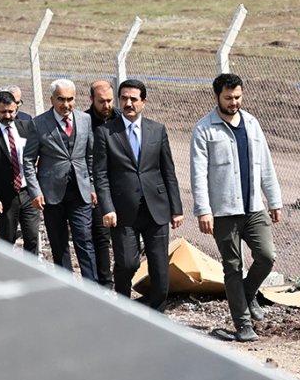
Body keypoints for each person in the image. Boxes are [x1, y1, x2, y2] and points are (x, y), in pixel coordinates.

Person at [190, 73, 283, 342]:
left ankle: (247, 292)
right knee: (232, 266)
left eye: (238, 97)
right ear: (217, 96)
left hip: (254, 208)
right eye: (229, 98)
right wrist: (203, 210)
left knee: (266, 256)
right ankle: (243, 324)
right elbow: (198, 175)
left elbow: (266, 165)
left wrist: (274, 201)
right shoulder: (204, 129)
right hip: (223, 212)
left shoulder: (252, 124)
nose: (234, 102)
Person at [94, 79, 183, 310]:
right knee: (126, 263)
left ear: (143, 102)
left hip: (156, 208)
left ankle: (157, 312)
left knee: (159, 266)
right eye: (124, 98)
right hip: (123, 211)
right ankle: (123, 306)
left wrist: (176, 209)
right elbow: (100, 174)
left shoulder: (157, 129)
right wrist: (107, 207)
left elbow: (168, 171)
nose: (128, 103)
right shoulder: (106, 132)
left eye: (134, 99)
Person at [25, 78, 97, 281]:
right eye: (61, 99)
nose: (66, 105)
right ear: (52, 100)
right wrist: (35, 191)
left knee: (84, 239)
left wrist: (91, 184)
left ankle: (93, 288)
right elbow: (29, 160)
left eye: (70, 99)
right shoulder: (39, 123)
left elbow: (90, 155)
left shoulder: (85, 120)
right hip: (51, 194)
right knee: (58, 244)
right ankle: (66, 286)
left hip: (79, 191)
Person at [0, 90, 40, 254]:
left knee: (32, 237)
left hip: (28, 192)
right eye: (3, 112)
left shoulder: (26, 127)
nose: (7, 115)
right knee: (7, 239)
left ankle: (30, 274)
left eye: (11, 111)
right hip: (5, 196)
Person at [86, 79, 119, 287]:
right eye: (101, 101)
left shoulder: (121, 118)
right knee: (101, 236)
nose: (106, 106)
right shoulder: (84, 121)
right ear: (91, 99)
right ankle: (105, 283)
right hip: (98, 186)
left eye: (109, 101)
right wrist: (91, 186)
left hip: (121, 184)